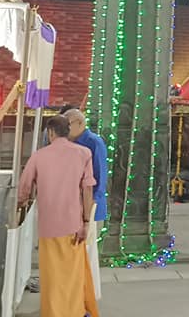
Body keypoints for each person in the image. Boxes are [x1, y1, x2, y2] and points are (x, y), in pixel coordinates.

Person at [17, 115, 99, 317]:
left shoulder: (38, 156)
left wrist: (22, 203)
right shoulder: (83, 153)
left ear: (50, 132)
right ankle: (74, 311)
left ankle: (54, 312)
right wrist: (86, 222)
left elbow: (24, 187)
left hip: (48, 225)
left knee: (52, 275)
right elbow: (87, 190)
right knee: (72, 273)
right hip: (73, 224)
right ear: (68, 131)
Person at [64, 108, 108, 301]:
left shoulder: (94, 143)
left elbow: (98, 179)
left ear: (80, 124)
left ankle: (86, 299)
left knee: (87, 257)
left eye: (68, 126)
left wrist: (88, 209)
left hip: (90, 207)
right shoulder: (68, 143)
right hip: (72, 207)